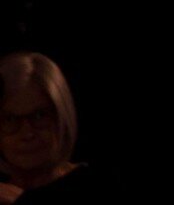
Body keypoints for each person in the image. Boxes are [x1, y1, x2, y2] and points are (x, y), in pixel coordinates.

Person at [0, 52, 116, 203]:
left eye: (39, 115)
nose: (27, 133)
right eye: (10, 119)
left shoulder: (98, 188)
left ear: (61, 116)